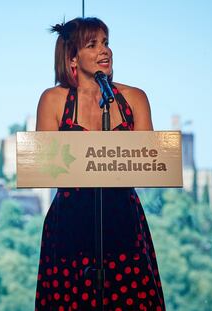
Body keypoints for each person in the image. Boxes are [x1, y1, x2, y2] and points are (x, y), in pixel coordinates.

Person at [35, 17, 165, 310]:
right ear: (72, 57)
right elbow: (45, 164)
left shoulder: (134, 98)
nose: (104, 51)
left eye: (106, 43)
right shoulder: (54, 100)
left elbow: (150, 161)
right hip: (71, 221)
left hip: (122, 220)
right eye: (92, 45)